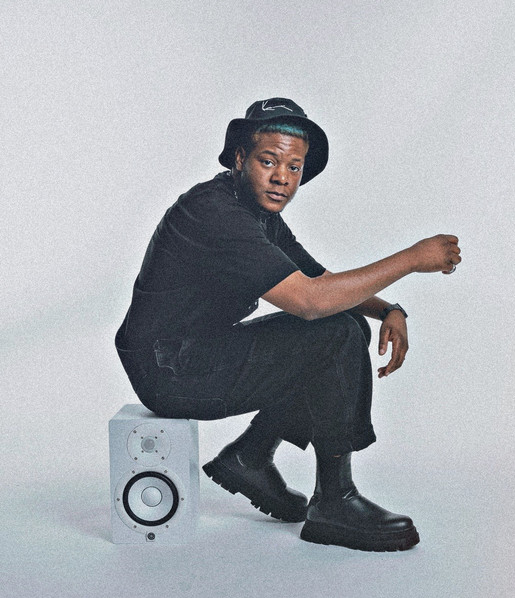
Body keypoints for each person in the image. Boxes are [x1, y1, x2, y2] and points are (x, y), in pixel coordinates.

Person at [115, 97, 461, 552]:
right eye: (268, 161)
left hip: (198, 352)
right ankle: (334, 500)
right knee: (335, 332)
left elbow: (320, 280)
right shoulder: (215, 213)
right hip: (168, 371)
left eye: (294, 167)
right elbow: (311, 302)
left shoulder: (260, 216)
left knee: (343, 324)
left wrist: (388, 310)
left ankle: (251, 457)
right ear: (240, 159)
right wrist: (413, 259)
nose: (282, 177)